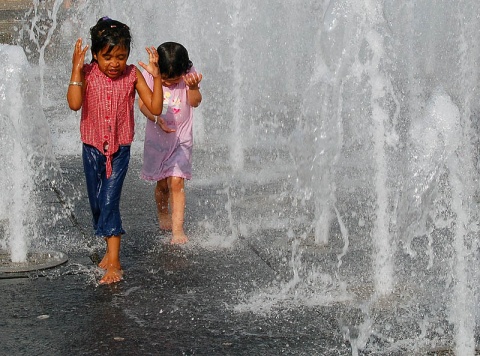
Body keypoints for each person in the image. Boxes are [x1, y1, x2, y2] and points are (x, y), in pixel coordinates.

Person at [67, 17, 163, 284]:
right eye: (107, 57)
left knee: (110, 202)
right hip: (92, 148)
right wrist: (76, 69)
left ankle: (115, 262)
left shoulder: (132, 75)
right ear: (95, 55)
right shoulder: (87, 73)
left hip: (119, 151)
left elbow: (154, 108)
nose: (114, 63)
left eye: (120, 56)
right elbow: (74, 104)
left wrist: (156, 78)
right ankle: (109, 252)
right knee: (97, 204)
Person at [138, 42, 202, 245]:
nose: (167, 84)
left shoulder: (189, 75)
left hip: (181, 138)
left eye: (173, 80)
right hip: (157, 138)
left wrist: (192, 87)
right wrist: (157, 119)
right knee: (163, 184)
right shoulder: (152, 74)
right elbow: (142, 105)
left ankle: (178, 230)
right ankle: (162, 211)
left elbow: (195, 102)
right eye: (164, 80)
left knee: (177, 182)